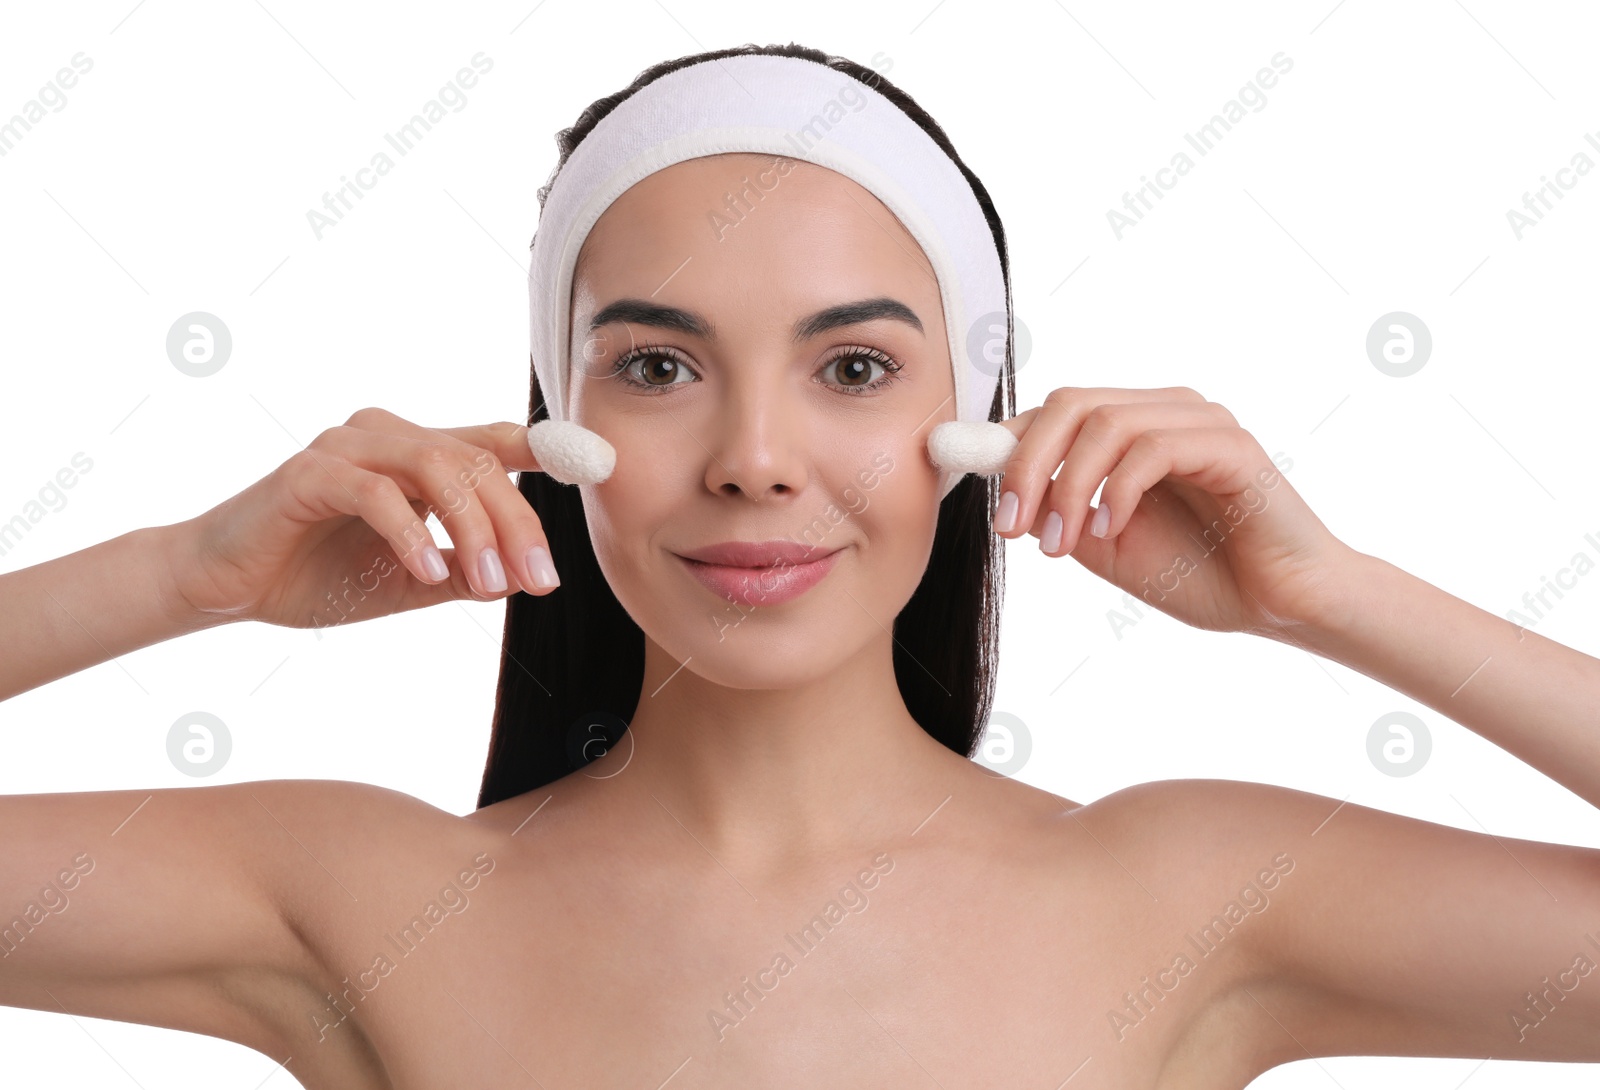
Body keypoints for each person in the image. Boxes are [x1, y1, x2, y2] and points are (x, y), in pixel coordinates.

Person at [4, 40, 1600, 1089]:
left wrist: (1331, 594)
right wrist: (188, 574)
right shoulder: (360, 898)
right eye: (655, 366)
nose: (755, 456)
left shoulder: (1187, 895)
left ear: (974, 415)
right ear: (556, 428)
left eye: (851, 370)